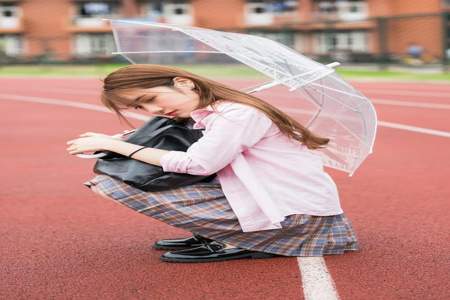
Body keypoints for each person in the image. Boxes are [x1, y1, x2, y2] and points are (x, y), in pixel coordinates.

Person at [66, 64, 360, 263]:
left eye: (151, 98)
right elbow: (173, 141)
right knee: (126, 170)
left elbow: (198, 164)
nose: (153, 110)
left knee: (119, 180)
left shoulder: (236, 115)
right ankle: (215, 232)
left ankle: (240, 241)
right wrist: (117, 142)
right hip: (271, 200)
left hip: (292, 215)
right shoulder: (214, 112)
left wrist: (116, 146)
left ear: (184, 82)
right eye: (140, 107)